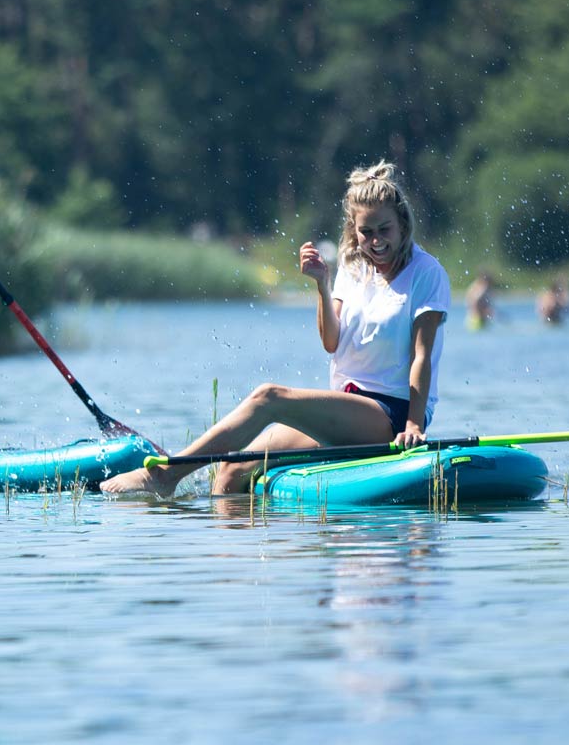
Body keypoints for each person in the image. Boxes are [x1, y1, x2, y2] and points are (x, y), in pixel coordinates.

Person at [101, 162, 449, 497]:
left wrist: (414, 426)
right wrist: (321, 285)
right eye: (366, 232)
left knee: (269, 397)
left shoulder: (426, 273)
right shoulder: (352, 266)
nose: (375, 242)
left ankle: (164, 475)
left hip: (392, 414)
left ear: (402, 224)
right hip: (345, 406)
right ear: (353, 230)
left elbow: (422, 357)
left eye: (384, 230)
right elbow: (332, 342)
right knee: (231, 471)